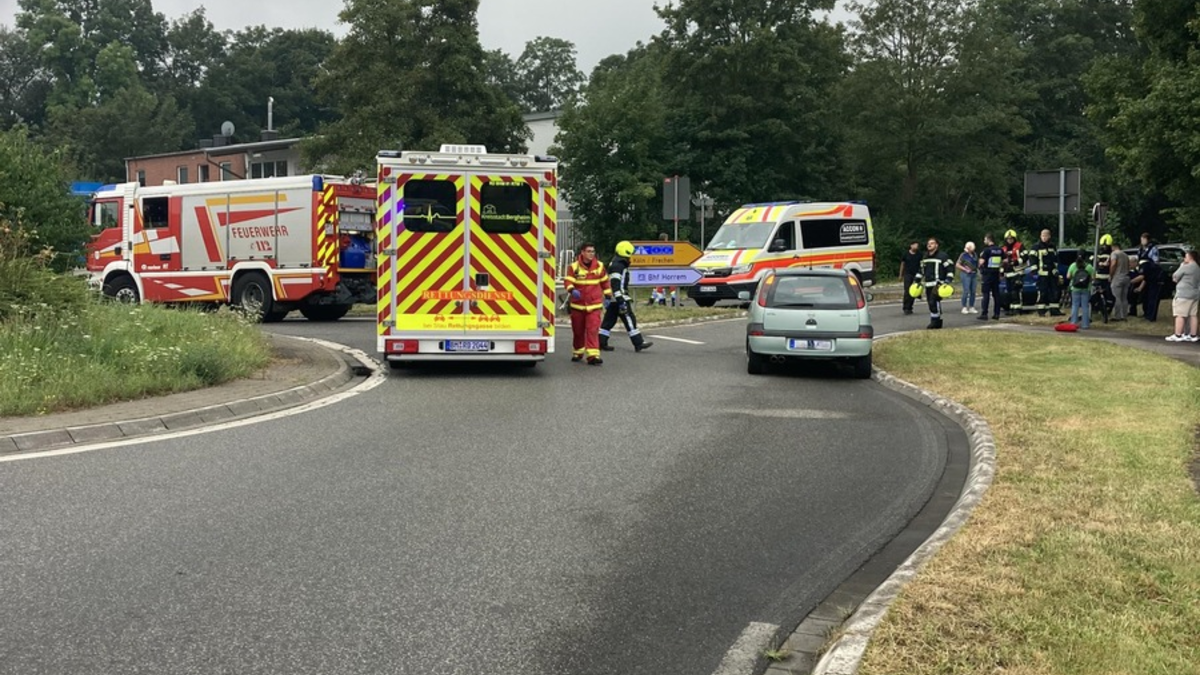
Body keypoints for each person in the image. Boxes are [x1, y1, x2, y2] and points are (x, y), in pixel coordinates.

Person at [600, 241, 653, 353]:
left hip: (614, 298)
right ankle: (638, 343)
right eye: (630, 254)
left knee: (609, 321)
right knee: (629, 318)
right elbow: (615, 284)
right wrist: (620, 300)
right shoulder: (618, 265)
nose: (631, 257)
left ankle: (601, 342)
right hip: (620, 298)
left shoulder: (616, 263)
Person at [563, 242, 612, 365]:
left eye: (593, 251)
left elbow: (605, 282)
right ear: (583, 253)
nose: (591, 254)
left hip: (594, 305)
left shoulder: (599, 266)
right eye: (589, 251)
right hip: (578, 306)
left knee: (592, 330)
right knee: (578, 331)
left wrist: (608, 296)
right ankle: (578, 352)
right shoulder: (574, 267)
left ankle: (593, 356)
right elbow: (568, 281)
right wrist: (571, 290)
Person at [915, 237, 953, 329]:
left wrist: (948, 280)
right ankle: (936, 321)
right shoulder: (925, 257)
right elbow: (921, 270)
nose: (929, 244)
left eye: (932, 243)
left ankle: (936, 321)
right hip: (928, 284)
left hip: (938, 284)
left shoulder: (943, 256)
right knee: (930, 302)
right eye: (928, 243)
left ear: (936, 245)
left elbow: (950, 269)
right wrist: (917, 281)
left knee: (933, 301)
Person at [1166, 248, 1199, 342]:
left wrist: (1181, 266)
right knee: (1193, 315)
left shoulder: (1186, 266)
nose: (1184, 258)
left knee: (1180, 314)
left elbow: (1175, 276)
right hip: (1195, 294)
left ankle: (1178, 334)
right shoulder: (1197, 267)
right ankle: (1193, 335)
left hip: (1184, 294)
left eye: (1186, 256)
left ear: (1190, 257)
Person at [1030, 229, 1061, 316]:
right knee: (1042, 293)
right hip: (1041, 274)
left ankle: (1054, 310)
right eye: (1042, 236)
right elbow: (1032, 260)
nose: (1044, 237)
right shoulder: (1036, 247)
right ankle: (1041, 311)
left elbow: (1056, 259)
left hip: (1051, 274)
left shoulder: (1052, 247)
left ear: (1049, 236)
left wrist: (1055, 270)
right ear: (1040, 236)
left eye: (1046, 236)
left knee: (1054, 292)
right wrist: (1034, 272)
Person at [1135, 233, 1163, 321]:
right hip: (1144, 275)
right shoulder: (1140, 250)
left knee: (1152, 296)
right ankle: (1146, 312)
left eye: (1144, 239)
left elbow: (1156, 262)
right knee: (1145, 295)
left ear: (1148, 239)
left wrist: (1147, 264)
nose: (1142, 241)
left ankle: (1151, 316)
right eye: (1141, 239)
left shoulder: (1153, 249)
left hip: (1152, 276)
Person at [977, 233, 1004, 321]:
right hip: (996, 274)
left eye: (985, 239)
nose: (984, 241)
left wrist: (980, 269)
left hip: (987, 275)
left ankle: (984, 314)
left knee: (986, 294)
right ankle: (997, 314)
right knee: (996, 295)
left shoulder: (986, 250)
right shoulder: (1000, 250)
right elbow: (1005, 260)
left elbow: (981, 262)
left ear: (988, 240)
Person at [1066, 250, 1095, 329]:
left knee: (1075, 306)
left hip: (1075, 288)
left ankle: (1073, 323)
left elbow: (1068, 276)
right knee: (1085, 306)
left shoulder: (1073, 265)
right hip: (1086, 288)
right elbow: (1093, 278)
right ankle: (1085, 324)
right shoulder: (1089, 266)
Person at [1001, 229, 1026, 314]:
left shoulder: (1019, 246)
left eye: (1011, 238)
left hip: (1017, 272)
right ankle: (1012, 309)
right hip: (1008, 273)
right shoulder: (1003, 248)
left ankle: (1017, 309)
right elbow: (1001, 261)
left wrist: (1015, 262)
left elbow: (1025, 257)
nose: (1009, 240)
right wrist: (1001, 271)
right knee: (1009, 292)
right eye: (1008, 239)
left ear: (1014, 238)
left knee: (1016, 291)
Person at [1109, 243, 1132, 321]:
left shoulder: (1114, 253)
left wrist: (1111, 275)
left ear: (1114, 247)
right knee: (1124, 298)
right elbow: (1129, 266)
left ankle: (1117, 316)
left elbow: (1113, 264)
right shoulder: (1125, 255)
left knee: (1116, 297)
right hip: (1126, 277)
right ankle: (1124, 315)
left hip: (1117, 277)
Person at [900, 241, 922, 315]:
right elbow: (902, 264)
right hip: (907, 274)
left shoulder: (919, 254)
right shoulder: (906, 254)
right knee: (907, 290)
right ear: (911, 245)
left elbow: (922, 264)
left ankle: (910, 307)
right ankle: (905, 307)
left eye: (917, 245)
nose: (916, 246)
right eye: (915, 245)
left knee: (914, 291)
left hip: (916, 275)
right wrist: (900, 275)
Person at [956, 241, 978, 313]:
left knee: (973, 291)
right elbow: (957, 264)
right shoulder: (963, 255)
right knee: (966, 290)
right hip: (966, 274)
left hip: (974, 274)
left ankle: (971, 306)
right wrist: (965, 269)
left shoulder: (975, 255)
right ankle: (964, 307)